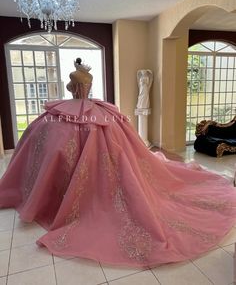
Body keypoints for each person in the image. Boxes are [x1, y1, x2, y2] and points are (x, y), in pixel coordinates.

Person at [0, 58, 236, 268]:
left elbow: (78, 90)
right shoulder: (79, 86)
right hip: (83, 110)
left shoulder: (81, 79)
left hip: (89, 110)